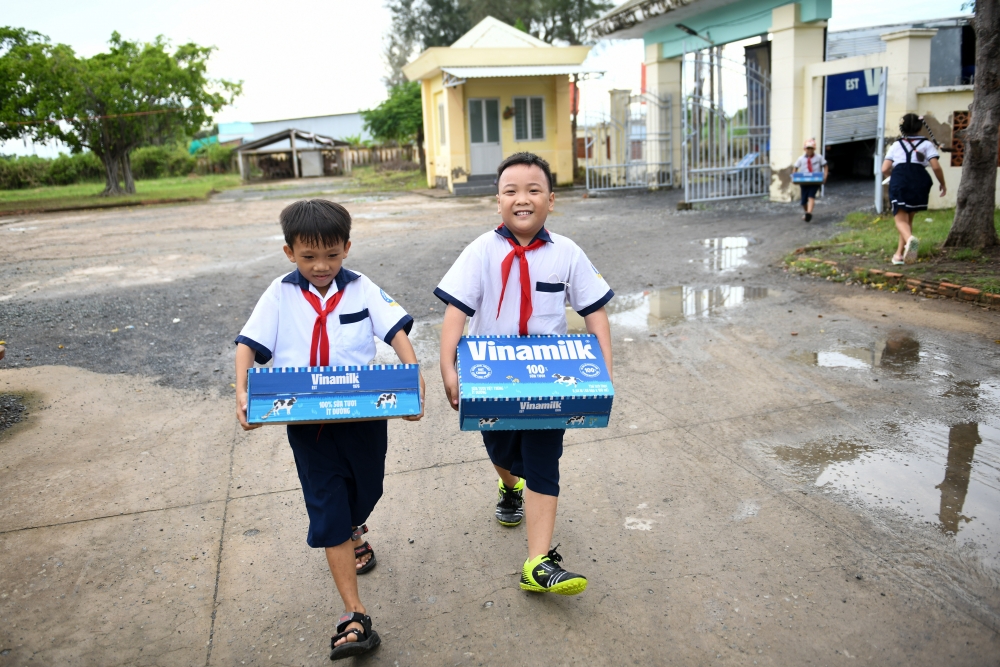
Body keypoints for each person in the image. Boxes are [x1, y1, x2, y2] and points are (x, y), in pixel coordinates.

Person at [234, 199, 424, 661]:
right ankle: (354, 614)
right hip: (307, 424)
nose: (321, 267)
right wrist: (241, 391)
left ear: (347, 248)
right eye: (309, 257)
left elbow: (396, 331)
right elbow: (249, 342)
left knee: (366, 490)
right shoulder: (278, 294)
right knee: (327, 509)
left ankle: (356, 526)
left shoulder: (362, 289)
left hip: (363, 418)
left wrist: (411, 373)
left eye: (332, 255)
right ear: (289, 252)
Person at [435, 152, 614, 596]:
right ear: (497, 201)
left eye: (534, 190)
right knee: (501, 450)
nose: (523, 199)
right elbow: (457, 311)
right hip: (491, 375)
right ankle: (507, 486)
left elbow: (596, 313)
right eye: (511, 191)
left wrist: (604, 372)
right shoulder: (480, 251)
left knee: (543, 462)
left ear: (551, 200)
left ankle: (538, 562)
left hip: (552, 376)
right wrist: (448, 366)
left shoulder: (568, 252)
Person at [882, 113, 947, 265]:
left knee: (899, 219)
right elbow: (936, 166)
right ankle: (899, 255)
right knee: (908, 218)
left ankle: (910, 239)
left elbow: (885, 168)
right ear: (919, 127)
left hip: (901, 180)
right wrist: (942, 183)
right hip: (920, 181)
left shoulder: (896, 145)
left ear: (902, 128)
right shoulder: (927, 144)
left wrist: (894, 176)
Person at [793, 138, 828, 222]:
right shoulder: (801, 159)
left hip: (815, 181)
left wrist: (825, 177)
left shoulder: (819, 157)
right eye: (808, 148)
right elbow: (795, 168)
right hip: (804, 182)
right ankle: (807, 213)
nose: (809, 150)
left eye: (811, 148)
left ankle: (809, 213)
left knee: (811, 196)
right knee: (803, 201)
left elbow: (825, 166)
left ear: (814, 149)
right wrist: (794, 178)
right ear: (804, 149)